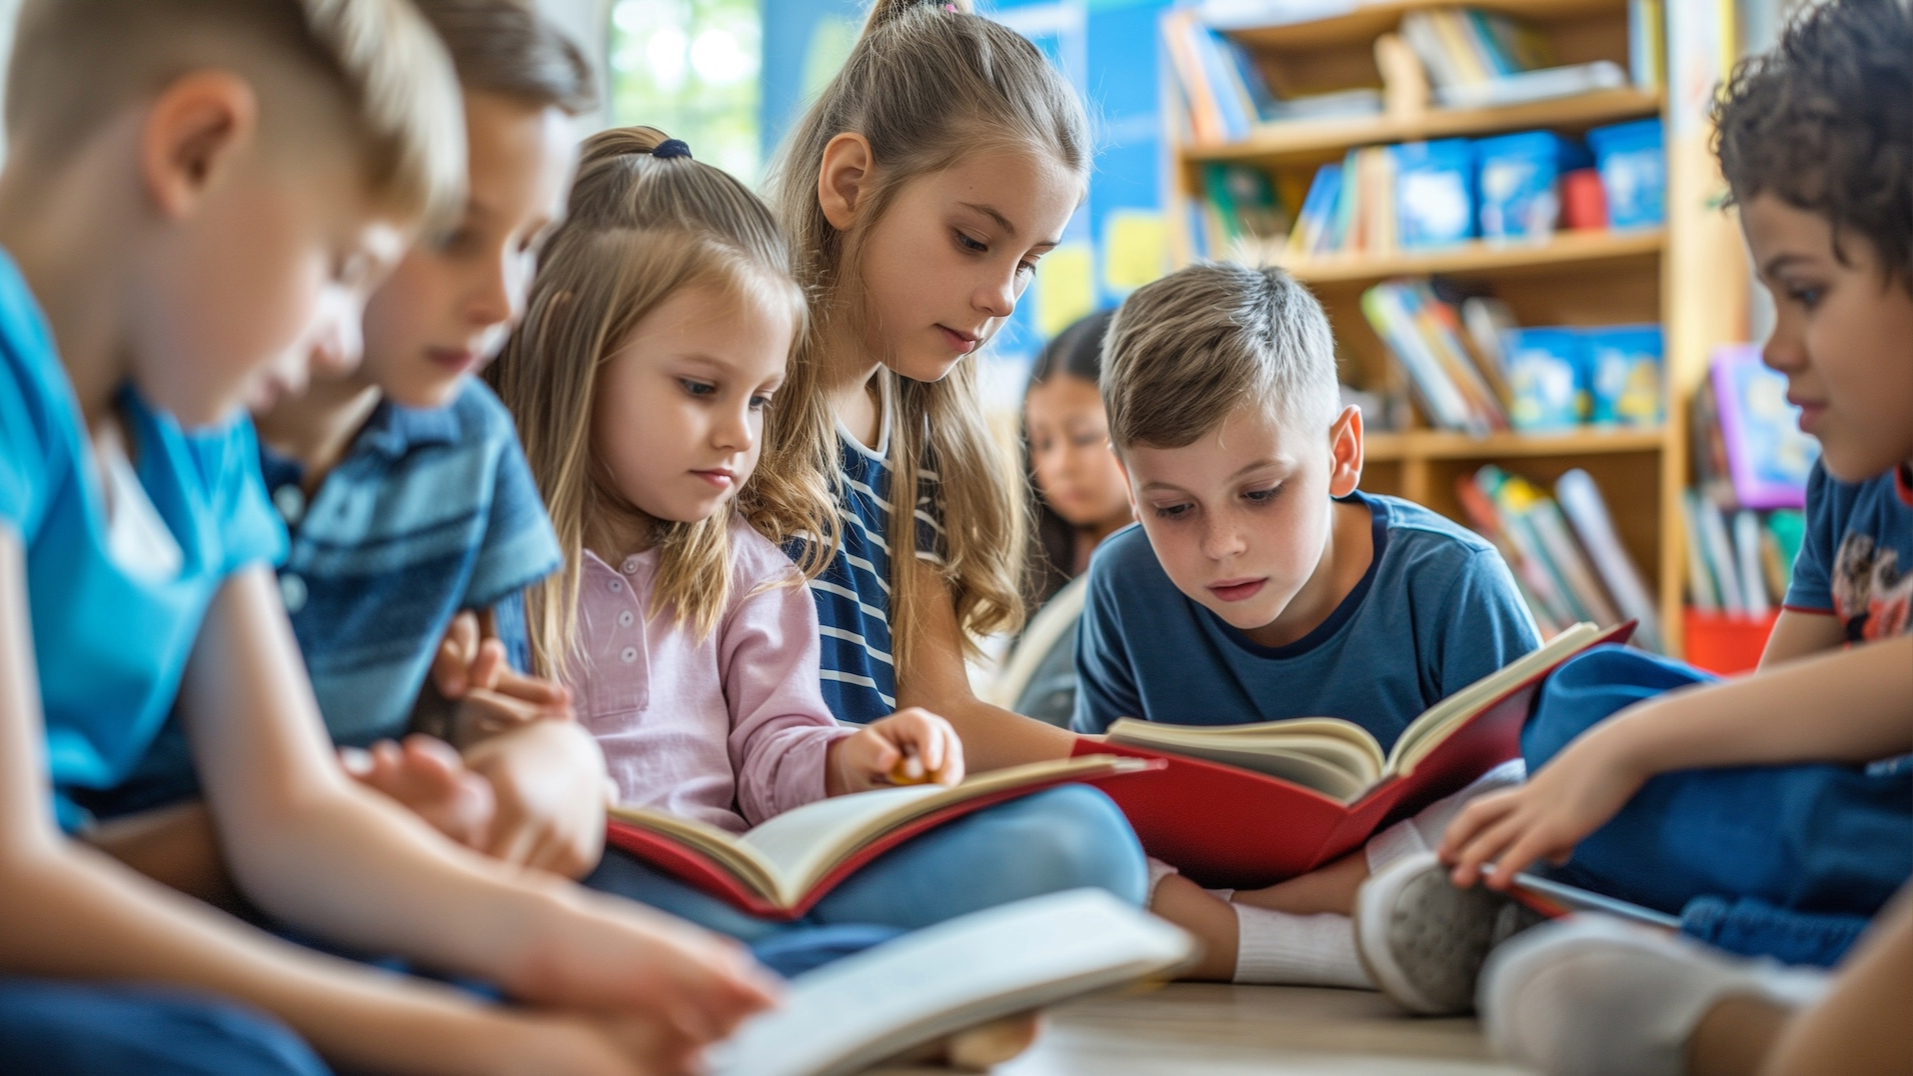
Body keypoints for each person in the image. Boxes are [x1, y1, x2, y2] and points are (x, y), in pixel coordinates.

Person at [0, 2, 775, 1073]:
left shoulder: (193, 432)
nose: (332, 337)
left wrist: (582, 949)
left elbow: (293, 811)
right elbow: (15, 879)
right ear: (196, 152)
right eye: (341, 264)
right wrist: (477, 1043)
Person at [1353, 0, 1913, 1036]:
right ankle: (1640, 918)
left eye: (1803, 293)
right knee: (1582, 695)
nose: (1774, 345)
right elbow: (1782, 714)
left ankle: (1707, 953)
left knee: (1639, 747)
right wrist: (1620, 739)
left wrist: (1634, 751)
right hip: (1830, 828)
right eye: (1767, 296)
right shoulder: (1849, 474)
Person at [489, 125, 1145, 941]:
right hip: (563, 881)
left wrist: (849, 761)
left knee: (1090, 844)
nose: (739, 434)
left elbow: (777, 754)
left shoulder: (752, 575)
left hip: (727, 886)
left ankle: (788, 973)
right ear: (565, 342)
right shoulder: (485, 556)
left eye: (760, 401)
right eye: (701, 387)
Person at [81, 0, 609, 900]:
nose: (502, 301)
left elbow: (498, 713)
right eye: (450, 234)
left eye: (529, 245)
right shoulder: (171, 419)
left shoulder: (471, 444)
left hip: (369, 878)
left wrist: (550, 757)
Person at [1076, 262, 1542, 986]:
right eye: (1171, 508)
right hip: (1207, 909)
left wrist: (1238, 914)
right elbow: (1106, 805)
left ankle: (1243, 938)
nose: (1220, 543)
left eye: (1260, 492)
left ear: (1340, 451)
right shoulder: (1123, 582)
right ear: (1129, 486)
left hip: (1393, 893)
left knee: (1509, 809)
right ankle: (1276, 941)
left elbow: (1523, 801)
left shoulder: (1449, 578)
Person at [988, 308, 1133, 726]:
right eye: (1042, 442)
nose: (1060, 465)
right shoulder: (1044, 565)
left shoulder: (1159, 569)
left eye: (1083, 436)